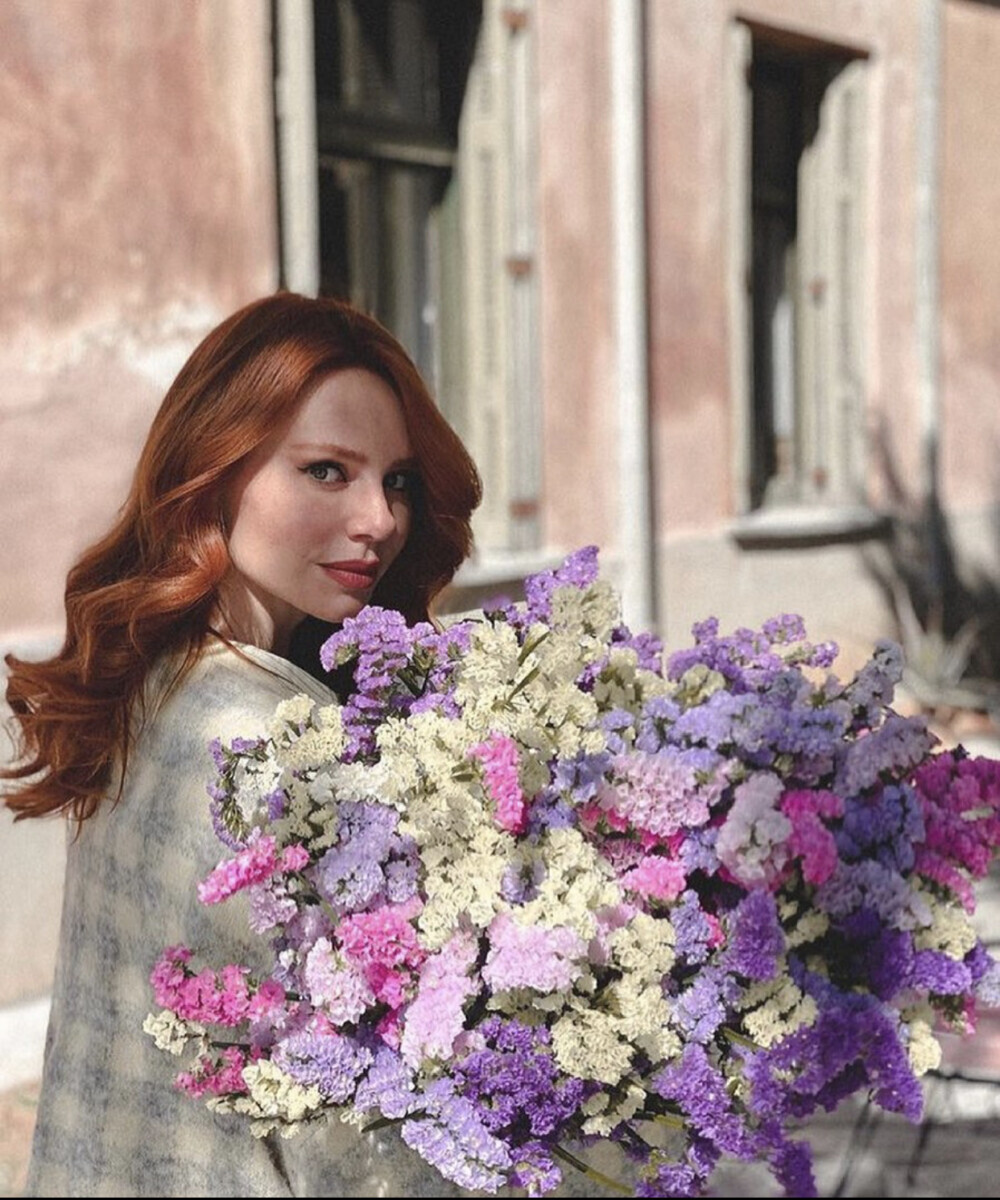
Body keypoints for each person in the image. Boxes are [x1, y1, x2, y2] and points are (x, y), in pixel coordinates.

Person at [1, 292, 486, 1197]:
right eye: (328, 472)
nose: (379, 518)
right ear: (217, 468)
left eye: (398, 481)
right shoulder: (267, 751)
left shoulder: (155, 683)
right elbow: (359, 1137)